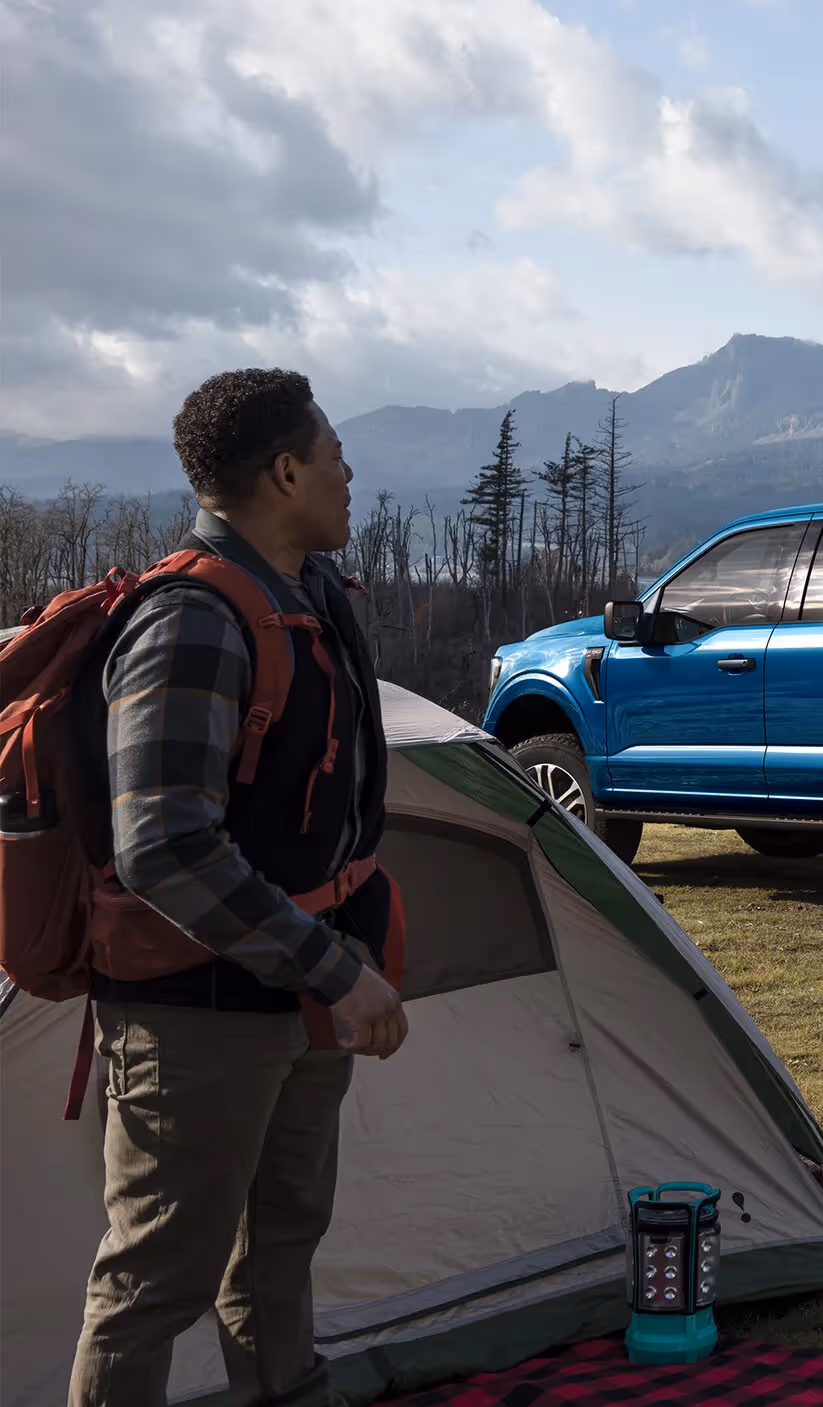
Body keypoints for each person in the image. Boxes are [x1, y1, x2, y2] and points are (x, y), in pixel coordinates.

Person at [71, 369, 408, 1407]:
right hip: (196, 1018)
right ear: (285, 470)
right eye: (335, 450)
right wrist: (332, 971)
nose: (350, 471)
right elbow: (163, 845)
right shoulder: (195, 619)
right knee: (155, 1283)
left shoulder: (302, 599)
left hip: (298, 994)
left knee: (274, 1253)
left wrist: (334, 968)